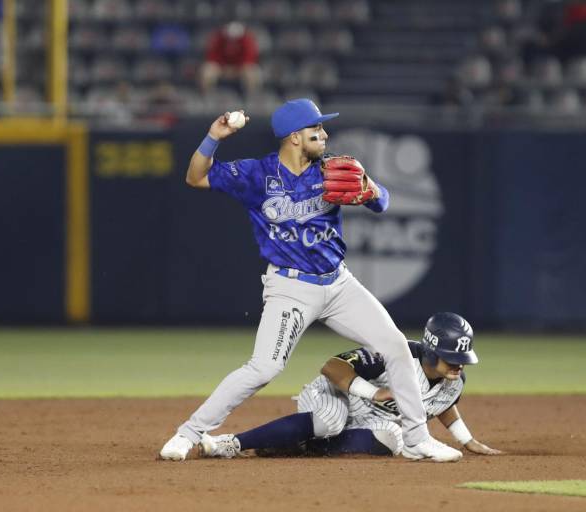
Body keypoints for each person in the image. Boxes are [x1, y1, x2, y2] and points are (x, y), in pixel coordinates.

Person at [159, 98, 463, 463]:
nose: (324, 133)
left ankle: (416, 440)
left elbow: (382, 201)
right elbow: (196, 176)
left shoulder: (333, 168)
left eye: (322, 127)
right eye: (315, 129)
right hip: (291, 287)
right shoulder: (258, 175)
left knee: (396, 346)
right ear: (293, 138)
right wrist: (213, 136)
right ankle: (188, 433)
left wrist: (368, 187)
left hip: (338, 284)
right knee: (264, 368)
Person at [199, 312, 502, 459]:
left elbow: (442, 405)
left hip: (369, 420)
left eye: (462, 358)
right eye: (451, 358)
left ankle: (305, 446)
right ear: (433, 351)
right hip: (333, 397)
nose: (458, 364)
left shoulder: (454, 380)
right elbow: (332, 366)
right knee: (331, 420)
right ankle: (232, 443)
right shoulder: (396, 353)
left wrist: (466, 439)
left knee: (397, 437)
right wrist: (374, 392)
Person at [199, 21, 261, 96]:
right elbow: (212, 56)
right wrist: (224, 67)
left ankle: (251, 96)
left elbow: (250, 57)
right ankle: (206, 95)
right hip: (221, 68)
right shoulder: (219, 39)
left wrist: (237, 68)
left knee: (251, 73)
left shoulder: (247, 41)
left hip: (240, 68)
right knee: (207, 71)